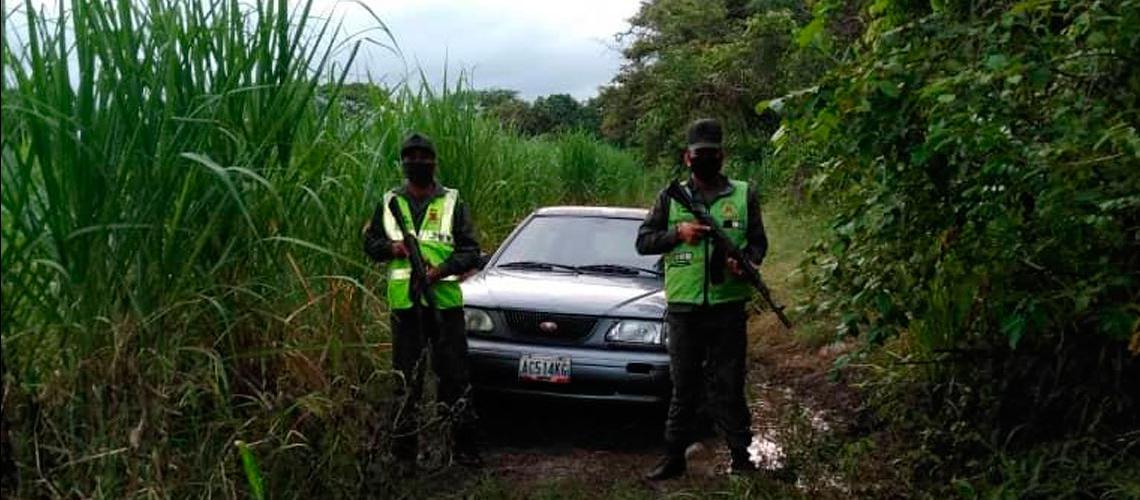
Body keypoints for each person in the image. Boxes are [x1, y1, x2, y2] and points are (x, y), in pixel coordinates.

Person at [636, 118, 768, 480]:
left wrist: (748, 263)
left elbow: (759, 242)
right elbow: (643, 241)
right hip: (683, 308)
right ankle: (673, 457)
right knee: (684, 388)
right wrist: (677, 233)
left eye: (712, 154)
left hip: (728, 307)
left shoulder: (744, 193)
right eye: (699, 154)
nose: (706, 159)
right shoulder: (670, 197)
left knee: (729, 385)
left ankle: (742, 459)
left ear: (722, 155)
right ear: (687, 157)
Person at [363, 132, 482, 471]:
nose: (417, 161)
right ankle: (403, 455)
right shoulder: (389, 202)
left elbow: (471, 251)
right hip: (404, 307)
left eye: (423, 156)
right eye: (410, 156)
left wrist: (438, 270)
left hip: (444, 304)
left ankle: (464, 449)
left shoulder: (452, 202)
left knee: (455, 377)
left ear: (434, 161)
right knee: (406, 382)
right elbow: (370, 243)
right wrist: (393, 249)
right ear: (402, 162)